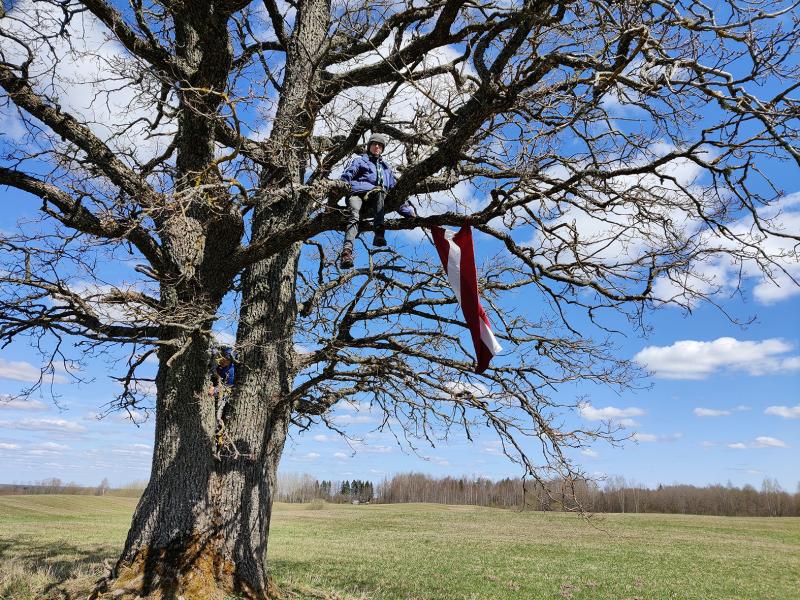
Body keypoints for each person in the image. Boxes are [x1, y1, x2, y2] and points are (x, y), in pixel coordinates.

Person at [338, 133, 413, 268]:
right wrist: (341, 184)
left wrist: (407, 212)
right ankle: (346, 252)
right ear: (369, 146)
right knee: (354, 215)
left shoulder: (386, 169)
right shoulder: (361, 160)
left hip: (375, 196)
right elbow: (349, 173)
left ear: (382, 149)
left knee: (380, 192)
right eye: (374, 144)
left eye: (380, 145)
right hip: (357, 193)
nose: (377, 146)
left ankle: (379, 234)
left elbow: (395, 192)